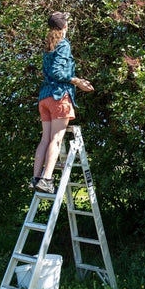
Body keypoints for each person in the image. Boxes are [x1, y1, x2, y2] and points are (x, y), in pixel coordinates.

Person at [29, 11, 94, 194]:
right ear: (64, 26)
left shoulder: (48, 46)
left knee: (45, 138)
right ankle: (47, 179)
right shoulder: (63, 44)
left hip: (45, 97)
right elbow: (58, 73)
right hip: (59, 96)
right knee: (56, 139)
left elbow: (48, 72)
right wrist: (77, 81)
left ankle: (36, 179)